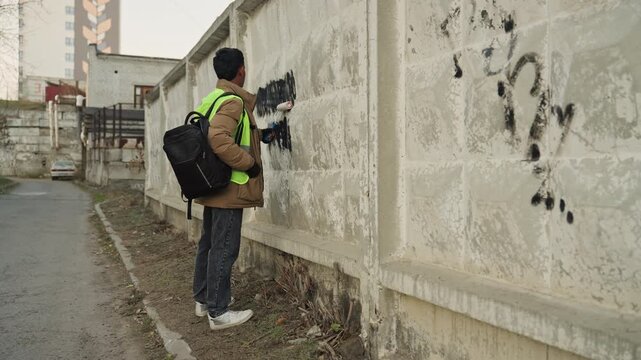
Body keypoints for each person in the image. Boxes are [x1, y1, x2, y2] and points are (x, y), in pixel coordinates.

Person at [192, 48, 274, 330]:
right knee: (225, 248)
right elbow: (219, 138)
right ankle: (218, 311)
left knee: (210, 244)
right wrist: (249, 164)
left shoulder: (211, 99)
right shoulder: (234, 102)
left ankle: (204, 300)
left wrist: (262, 135)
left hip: (212, 183)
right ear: (241, 70)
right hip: (231, 186)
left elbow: (226, 133)